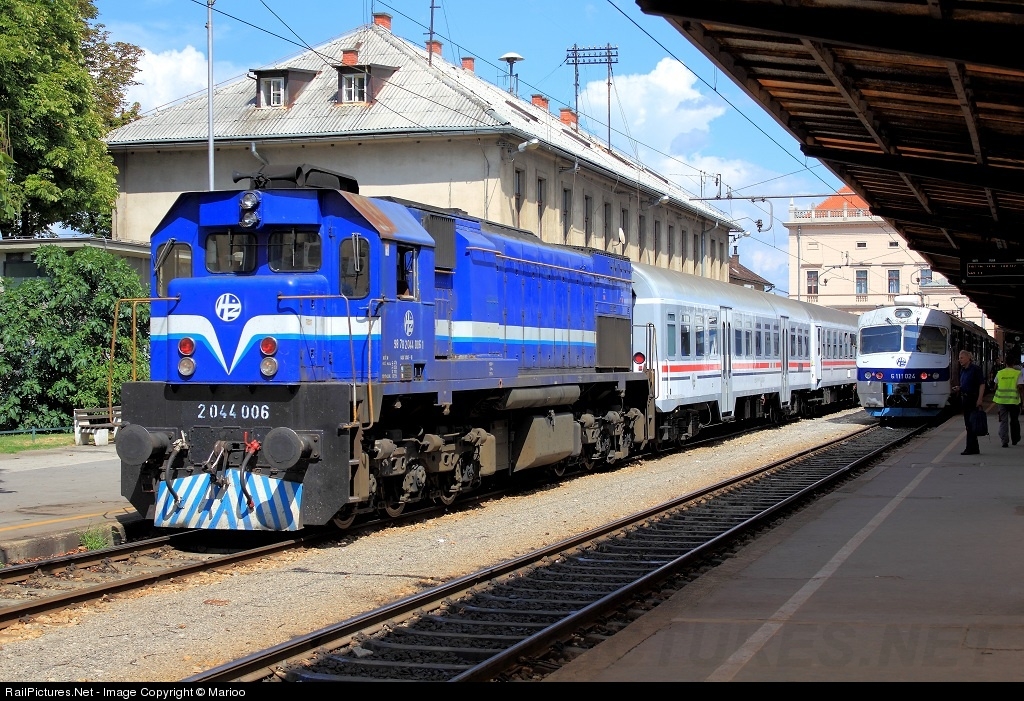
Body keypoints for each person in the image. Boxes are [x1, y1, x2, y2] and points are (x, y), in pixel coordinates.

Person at [951, 349, 986, 455]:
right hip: (965, 399)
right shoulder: (963, 370)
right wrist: (959, 388)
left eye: (962, 358)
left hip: (973, 398)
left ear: (968, 358)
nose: (959, 360)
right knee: (968, 424)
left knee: (971, 423)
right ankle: (974, 448)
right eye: (959, 358)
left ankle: (970, 448)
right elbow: (965, 384)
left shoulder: (975, 369)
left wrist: (980, 399)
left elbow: (982, 384)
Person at [993, 354, 1023, 447]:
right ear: (1013, 363)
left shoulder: (1000, 373)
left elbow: (995, 386)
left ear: (1005, 363)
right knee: (1014, 420)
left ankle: (1004, 441)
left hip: (1001, 401)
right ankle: (1015, 439)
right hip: (1014, 401)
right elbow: (1020, 387)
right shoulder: (1018, 373)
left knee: (1003, 421)